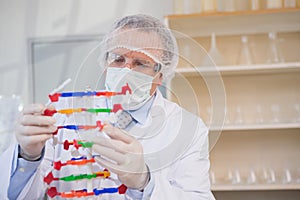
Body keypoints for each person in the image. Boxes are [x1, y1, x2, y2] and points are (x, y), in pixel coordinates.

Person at [0, 14, 215, 200]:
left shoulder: (189, 129)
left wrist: (144, 181)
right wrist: (27, 156)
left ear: (160, 75)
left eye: (140, 63)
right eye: (118, 59)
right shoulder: (63, 114)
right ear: (105, 65)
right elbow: (20, 194)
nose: (126, 70)